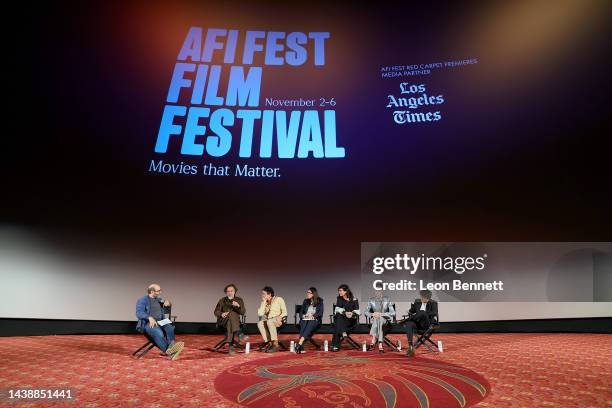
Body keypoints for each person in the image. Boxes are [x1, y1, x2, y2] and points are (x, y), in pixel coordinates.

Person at [135, 283, 184, 360]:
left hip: (161, 321)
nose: (160, 292)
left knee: (170, 328)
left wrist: (168, 302)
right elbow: (139, 313)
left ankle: (172, 347)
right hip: (149, 322)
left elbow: (167, 304)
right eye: (158, 291)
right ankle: (170, 352)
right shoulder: (142, 300)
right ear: (152, 291)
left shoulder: (159, 299)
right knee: (159, 333)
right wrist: (149, 317)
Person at [213, 284, 248, 355]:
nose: (230, 292)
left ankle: (231, 346)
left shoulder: (239, 300)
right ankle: (240, 334)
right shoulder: (222, 300)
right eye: (228, 291)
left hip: (234, 323)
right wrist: (221, 314)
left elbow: (243, 312)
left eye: (231, 291)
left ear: (235, 291)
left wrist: (238, 306)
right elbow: (216, 312)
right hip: (223, 322)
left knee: (230, 320)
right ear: (226, 292)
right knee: (230, 315)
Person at [404, 289, 437, 357]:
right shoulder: (417, 302)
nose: (421, 299)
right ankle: (410, 346)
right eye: (421, 297)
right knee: (409, 324)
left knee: (422, 312)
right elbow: (411, 311)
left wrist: (424, 313)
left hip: (426, 324)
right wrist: (411, 309)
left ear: (428, 298)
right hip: (417, 323)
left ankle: (408, 319)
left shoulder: (433, 303)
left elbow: (434, 313)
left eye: (423, 297)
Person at [257, 286, 287, 353]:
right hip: (269, 321)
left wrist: (280, 316)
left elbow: (285, 312)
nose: (262, 295)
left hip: (279, 320)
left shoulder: (279, 299)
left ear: (269, 294)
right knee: (260, 323)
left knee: (270, 322)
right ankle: (269, 342)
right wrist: (264, 302)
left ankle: (275, 344)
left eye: (263, 294)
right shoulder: (264, 303)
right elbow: (260, 314)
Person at [294, 287, 324, 354]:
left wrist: (312, 316)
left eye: (309, 293)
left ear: (313, 294)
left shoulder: (320, 301)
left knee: (310, 322)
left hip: (315, 320)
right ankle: (300, 345)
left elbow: (320, 313)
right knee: (304, 321)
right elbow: (301, 313)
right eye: (307, 292)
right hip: (305, 319)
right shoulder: (305, 301)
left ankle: (300, 343)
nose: (307, 294)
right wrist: (304, 316)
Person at [331, 284, 360, 352]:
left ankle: (335, 345)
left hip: (350, 320)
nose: (339, 292)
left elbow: (357, 311)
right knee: (339, 316)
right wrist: (345, 313)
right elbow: (337, 309)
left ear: (346, 291)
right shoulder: (339, 299)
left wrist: (352, 313)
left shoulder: (354, 299)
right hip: (342, 319)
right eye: (339, 291)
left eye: (341, 291)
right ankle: (343, 332)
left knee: (337, 326)